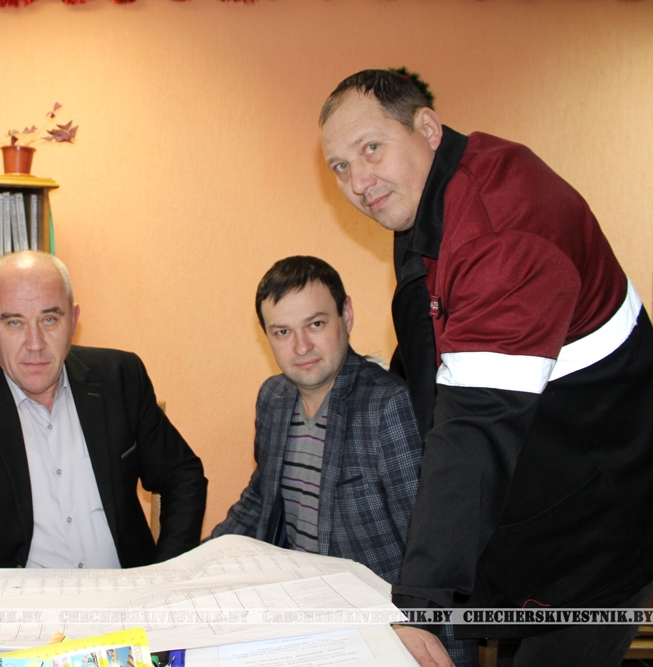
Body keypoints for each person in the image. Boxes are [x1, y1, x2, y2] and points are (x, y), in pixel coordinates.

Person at [320, 69, 653, 667]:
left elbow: (475, 425)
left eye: (370, 148)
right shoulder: (429, 195)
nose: (359, 182)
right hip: (535, 504)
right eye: (340, 166)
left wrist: (420, 602)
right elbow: (434, 331)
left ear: (427, 128)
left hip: (602, 527)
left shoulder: (502, 231)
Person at [0, 251, 208, 609]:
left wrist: (166, 573)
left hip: (127, 599)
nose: (34, 344)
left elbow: (182, 475)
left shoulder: (120, 377)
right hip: (17, 611)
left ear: (74, 320)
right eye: (14, 323)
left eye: (49, 319)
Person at [209, 256, 475, 665]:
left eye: (316, 324)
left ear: (346, 315)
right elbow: (260, 498)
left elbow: (431, 541)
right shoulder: (273, 398)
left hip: (378, 624)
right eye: (283, 332)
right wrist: (198, 565)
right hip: (300, 613)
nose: (301, 347)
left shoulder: (387, 405)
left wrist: (433, 640)